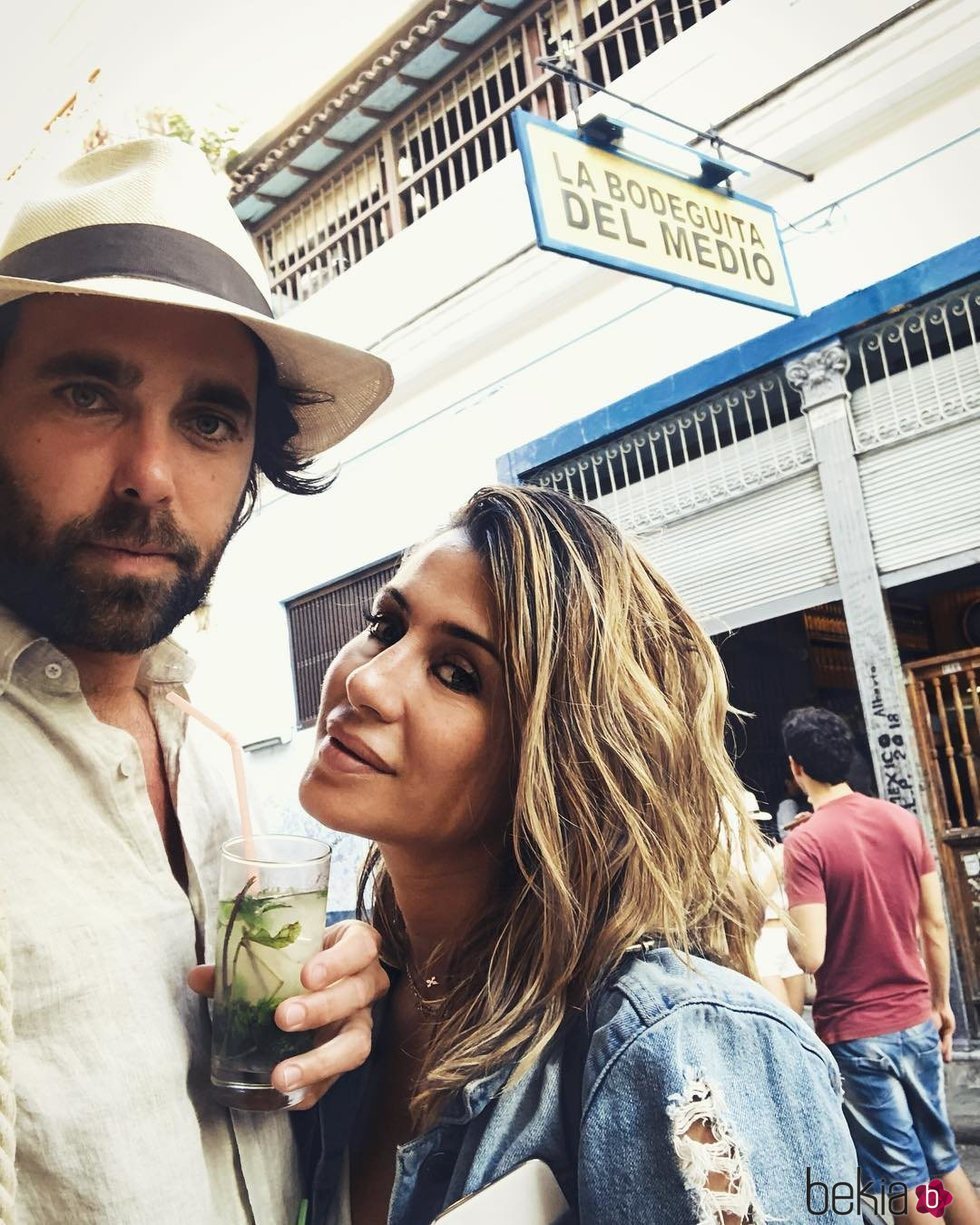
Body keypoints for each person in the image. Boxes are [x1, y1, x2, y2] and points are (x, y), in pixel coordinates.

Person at [0, 137, 393, 1224]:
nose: (151, 476)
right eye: (86, 394)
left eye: (210, 420)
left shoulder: (212, 756)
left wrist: (334, 1031)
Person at [297, 485, 860, 1224]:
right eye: (385, 624)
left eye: (458, 673)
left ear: (557, 759)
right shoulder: (339, 1017)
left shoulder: (672, 1047)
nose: (367, 678)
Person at [781, 706, 980, 1225]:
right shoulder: (903, 821)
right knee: (943, 1160)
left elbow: (811, 954)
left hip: (857, 1033)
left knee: (901, 1179)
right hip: (916, 1019)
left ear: (796, 767)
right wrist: (940, 1006)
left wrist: (781, 898)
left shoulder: (804, 841)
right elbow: (934, 926)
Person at [741, 791, 806, 1015]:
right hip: (761, 941)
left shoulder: (769, 852)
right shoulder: (730, 861)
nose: (752, 826)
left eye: (754, 821)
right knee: (785, 1017)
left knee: (798, 1018)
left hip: (786, 938)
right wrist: (774, 876)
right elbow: (746, 906)